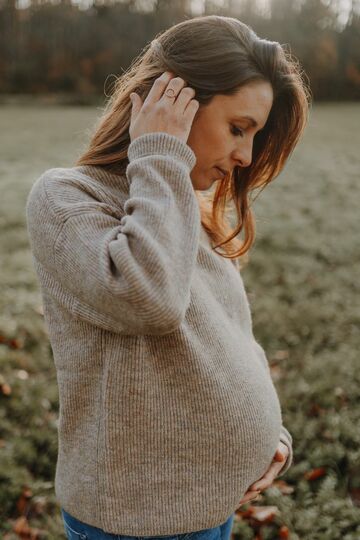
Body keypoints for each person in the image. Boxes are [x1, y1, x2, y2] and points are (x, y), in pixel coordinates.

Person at [25, 14, 311, 540]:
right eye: (238, 128)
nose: (245, 157)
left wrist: (271, 434)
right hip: (139, 523)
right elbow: (148, 301)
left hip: (209, 505)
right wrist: (160, 153)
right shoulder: (66, 198)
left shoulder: (180, 206)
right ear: (171, 100)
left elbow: (229, 340)